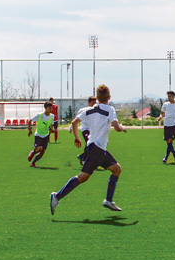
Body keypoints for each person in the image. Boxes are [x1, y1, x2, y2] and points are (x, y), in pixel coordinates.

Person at [50, 84, 127, 214]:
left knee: (116, 169)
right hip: (97, 149)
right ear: (109, 97)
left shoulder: (89, 110)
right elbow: (117, 127)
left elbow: (74, 122)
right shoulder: (110, 109)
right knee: (82, 177)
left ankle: (108, 200)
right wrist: (123, 127)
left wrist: (77, 137)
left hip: (97, 147)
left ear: (97, 97)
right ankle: (56, 196)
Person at [157, 90, 175, 163]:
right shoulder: (165, 104)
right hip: (166, 125)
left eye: (170, 96)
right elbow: (162, 113)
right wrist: (160, 117)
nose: (169, 98)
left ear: (173, 96)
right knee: (168, 143)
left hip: (174, 125)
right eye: (168, 96)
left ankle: (166, 157)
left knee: (170, 141)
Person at [27, 102, 57, 167]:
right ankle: (32, 152)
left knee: (43, 151)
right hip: (38, 135)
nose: (51, 109)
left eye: (51, 108)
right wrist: (30, 130)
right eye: (49, 108)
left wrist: (52, 129)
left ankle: (33, 163)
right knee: (39, 148)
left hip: (46, 135)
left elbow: (51, 124)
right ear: (45, 108)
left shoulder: (52, 116)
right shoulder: (39, 115)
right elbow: (30, 121)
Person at [74, 96, 97, 165]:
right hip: (85, 130)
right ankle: (84, 159)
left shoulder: (95, 110)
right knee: (89, 144)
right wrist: (70, 128)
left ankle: (82, 156)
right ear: (89, 102)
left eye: (95, 102)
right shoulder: (83, 110)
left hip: (93, 130)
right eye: (93, 102)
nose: (94, 104)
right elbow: (75, 120)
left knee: (92, 145)